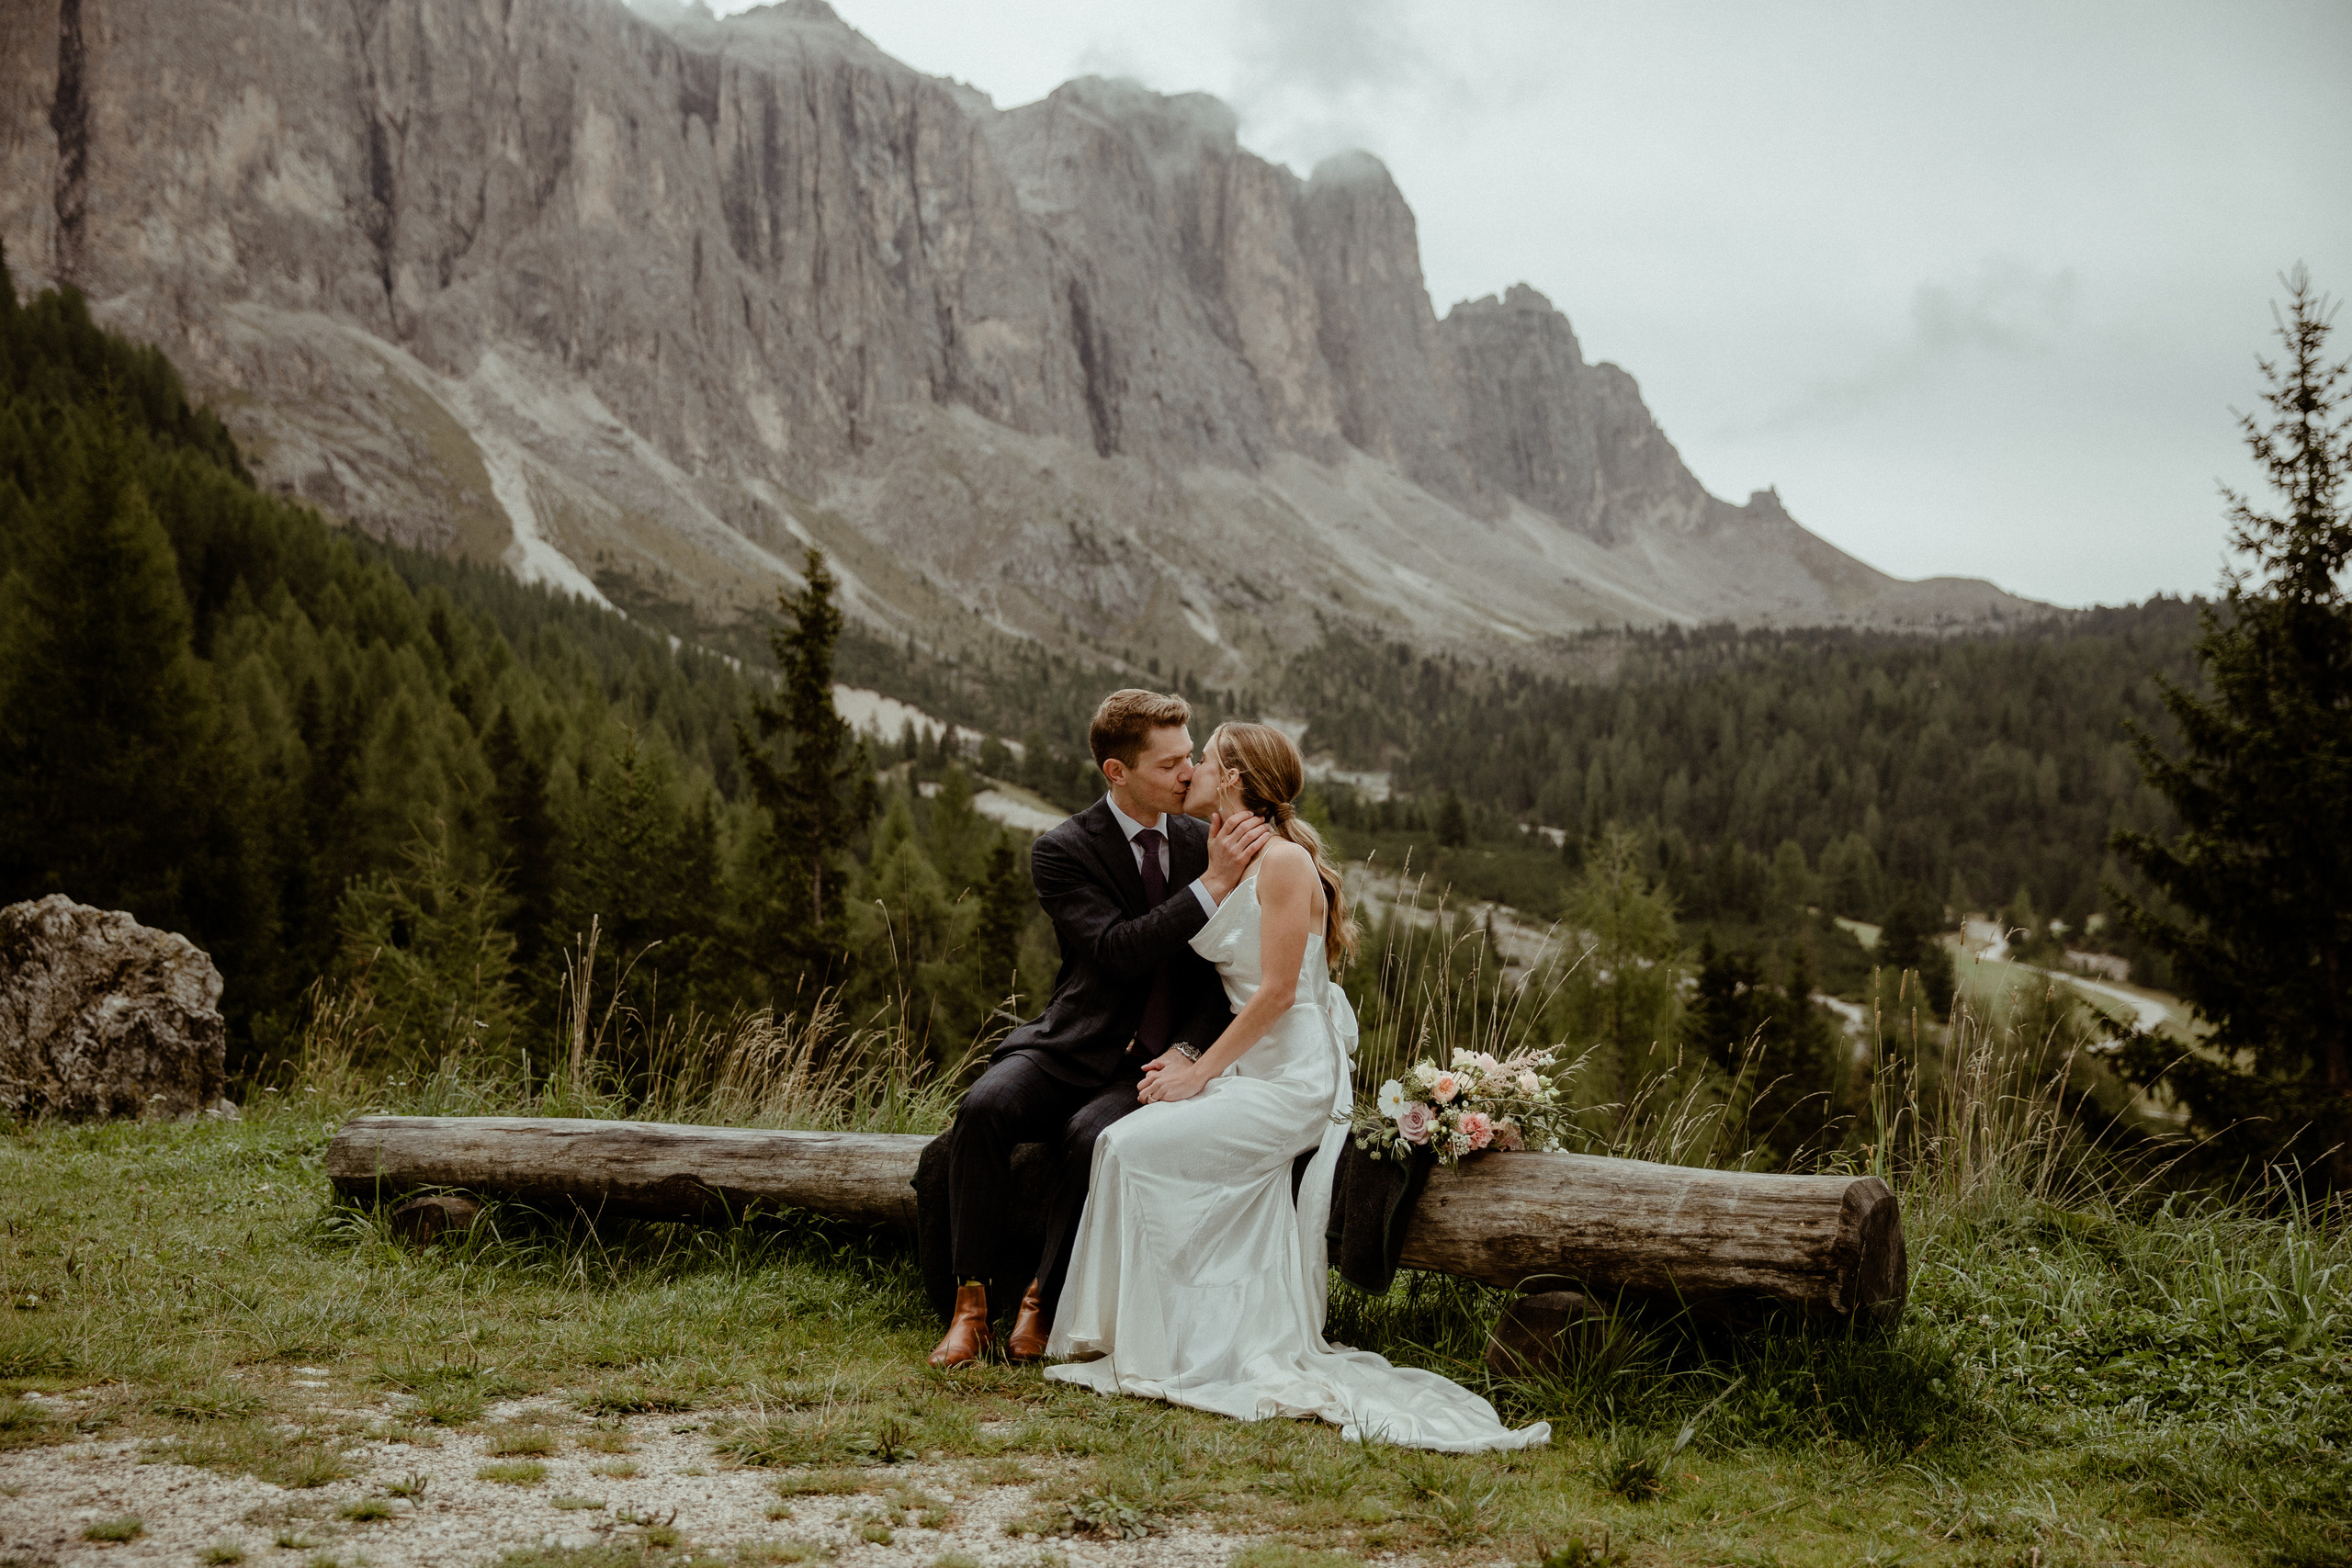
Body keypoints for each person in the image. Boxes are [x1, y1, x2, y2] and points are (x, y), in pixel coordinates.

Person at [1045, 722, 1550, 1452]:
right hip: (1247, 1065)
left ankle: (1156, 1344)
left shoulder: (1282, 863)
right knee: (1127, 1147)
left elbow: (1278, 993)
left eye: (1205, 762)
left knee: (1126, 1145)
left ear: (1239, 780)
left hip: (1291, 1078)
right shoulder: (1227, 853)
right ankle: (1161, 1336)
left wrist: (1197, 1070)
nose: (1189, 773)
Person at [929, 690, 1272, 1369]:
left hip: (1153, 1058)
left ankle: (1043, 1300)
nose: (1187, 774)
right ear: (1117, 772)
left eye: (1188, 756)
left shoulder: (1205, 839)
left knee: (1096, 1137)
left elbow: (1223, 978)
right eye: (1168, 763)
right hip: (1072, 1040)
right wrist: (1212, 887)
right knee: (981, 1109)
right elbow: (1116, 949)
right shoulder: (1062, 850)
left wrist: (1187, 1049)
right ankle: (970, 1307)